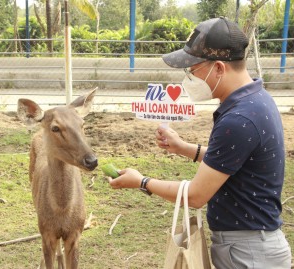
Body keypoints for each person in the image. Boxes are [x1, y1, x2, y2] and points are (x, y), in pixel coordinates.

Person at [108, 17, 292, 268]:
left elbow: (195, 196)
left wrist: (141, 182)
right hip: (252, 245)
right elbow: (233, 162)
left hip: (248, 253)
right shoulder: (256, 98)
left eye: (193, 70)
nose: (188, 78)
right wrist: (184, 148)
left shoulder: (239, 119)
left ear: (218, 68)